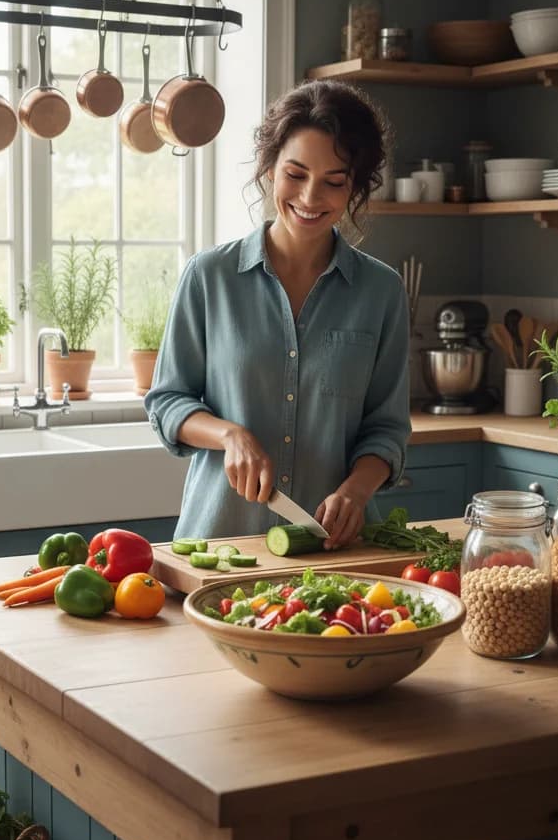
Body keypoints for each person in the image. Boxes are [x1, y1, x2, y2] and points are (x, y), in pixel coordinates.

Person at [144, 79, 411, 547]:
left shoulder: (382, 291)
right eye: (295, 174)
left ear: (355, 186)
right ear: (269, 169)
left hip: (333, 552)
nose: (310, 197)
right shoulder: (209, 276)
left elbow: (386, 429)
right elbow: (168, 401)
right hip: (221, 545)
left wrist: (355, 491)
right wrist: (229, 435)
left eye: (334, 182)